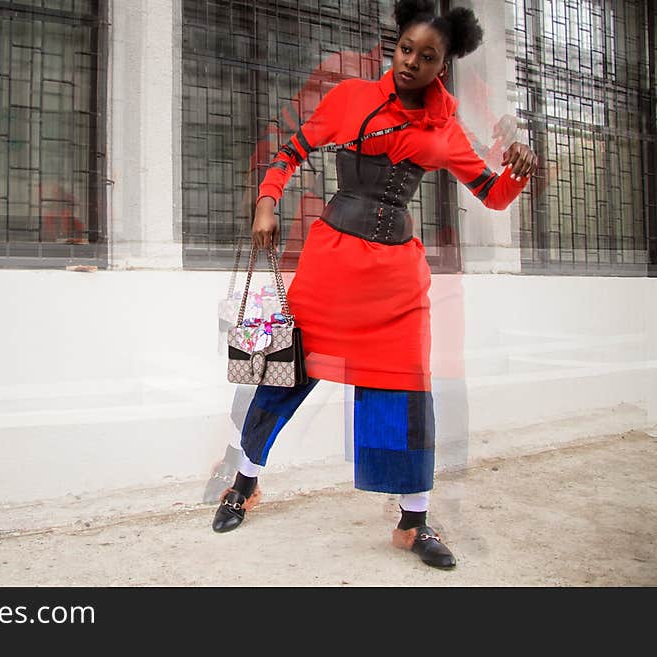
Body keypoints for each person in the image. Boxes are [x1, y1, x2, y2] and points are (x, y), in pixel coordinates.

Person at [210, 0, 538, 570]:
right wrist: (267, 203)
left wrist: (517, 169)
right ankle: (244, 482)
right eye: (405, 48)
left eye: (427, 57)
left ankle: (413, 522)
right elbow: (289, 152)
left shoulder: (444, 129)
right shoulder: (351, 99)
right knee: (283, 376)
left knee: (405, 392)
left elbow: (492, 193)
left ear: (444, 65)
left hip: (396, 282)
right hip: (330, 266)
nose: (410, 62)